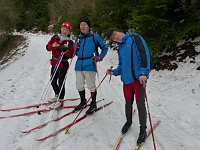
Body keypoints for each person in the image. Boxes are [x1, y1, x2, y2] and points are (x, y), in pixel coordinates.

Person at [106, 28, 151, 144]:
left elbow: (144, 54)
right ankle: (128, 122)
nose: (116, 37)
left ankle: (142, 130)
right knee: (128, 103)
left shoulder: (135, 38)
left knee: (140, 105)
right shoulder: (120, 48)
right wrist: (114, 72)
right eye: (113, 38)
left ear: (119, 31)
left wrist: (144, 73)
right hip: (126, 81)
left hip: (138, 79)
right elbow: (121, 65)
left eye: (116, 34)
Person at [73, 16, 108, 115]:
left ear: (89, 26)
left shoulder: (94, 37)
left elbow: (105, 48)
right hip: (79, 64)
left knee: (91, 85)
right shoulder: (78, 38)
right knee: (79, 85)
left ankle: (93, 104)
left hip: (90, 63)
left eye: (85, 24)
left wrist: (100, 57)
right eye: (81, 25)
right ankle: (83, 101)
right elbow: (74, 54)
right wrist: (74, 48)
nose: (82, 26)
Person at [46, 22, 75, 109]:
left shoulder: (70, 42)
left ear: (69, 32)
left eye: (67, 30)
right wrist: (52, 45)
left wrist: (66, 51)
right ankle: (57, 94)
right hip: (55, 62)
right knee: (52, 80)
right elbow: (47, 47)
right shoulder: (55, 37)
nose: (65, 31)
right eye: (64, 29)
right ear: (61, 29)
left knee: (61, 82)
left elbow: (72, 55)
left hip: (63, 63)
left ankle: (61, 100)